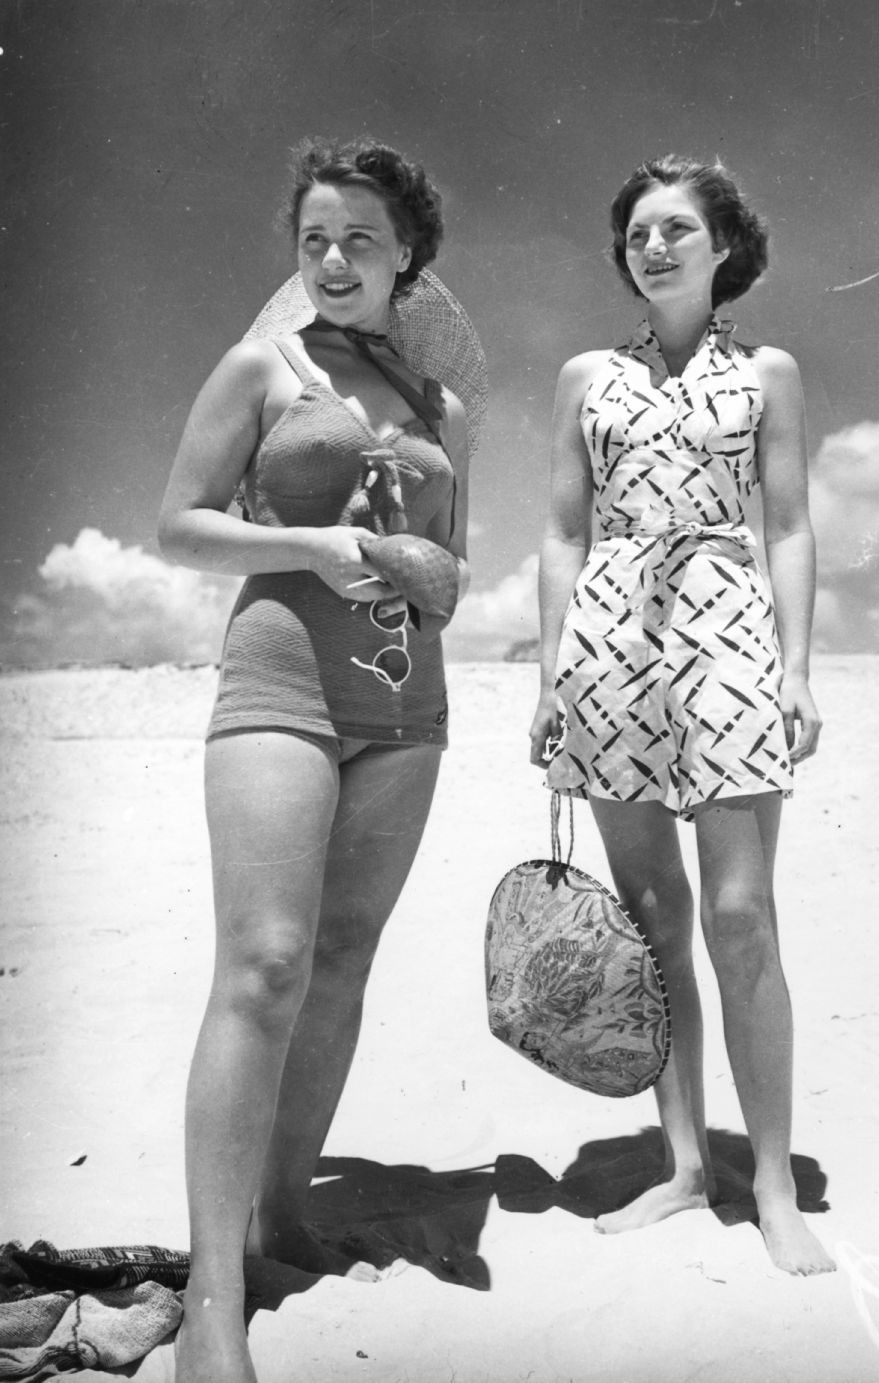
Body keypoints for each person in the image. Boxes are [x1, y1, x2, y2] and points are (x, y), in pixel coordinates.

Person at [158, 137, 473, 1383]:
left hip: (410, 709)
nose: (334, 260)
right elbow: (179, 529)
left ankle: (281, 1214)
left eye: (361, 240)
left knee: (341, 963)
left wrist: (417, 566)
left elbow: (455, 565)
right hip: (280, 681)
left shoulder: (445, 408)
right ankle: (210, 1299)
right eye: (314, 240)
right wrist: (310, 548)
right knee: (266, 964)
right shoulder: (260, 366)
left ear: (408, 257)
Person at [529, 155, 835, 1276]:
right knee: (653, 918)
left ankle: (769, 1182)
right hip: (609, 640)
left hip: (728, 629)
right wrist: (552, 679)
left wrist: (796, 668)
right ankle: (683, 1166)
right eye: (637, 232)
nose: (652, 247)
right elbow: (563, 533)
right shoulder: (582, 378)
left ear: (721, 248)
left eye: (676, 230)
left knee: (741, 914)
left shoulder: (768, 371)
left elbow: (790, 524)